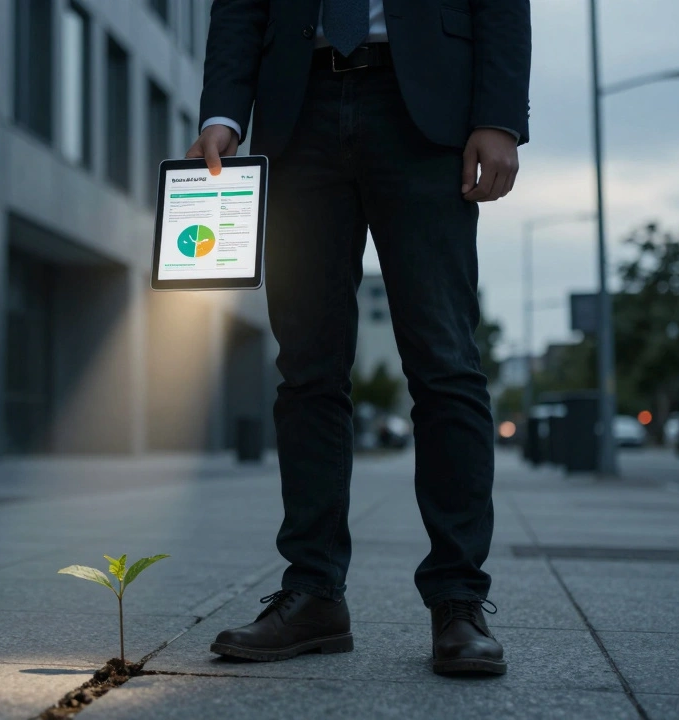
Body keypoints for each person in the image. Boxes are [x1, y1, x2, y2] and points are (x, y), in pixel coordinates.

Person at [187, 0, 530, 675]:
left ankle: (458, 601)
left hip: (423, 109)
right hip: (297, 108)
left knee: (445, 363)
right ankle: (313, 594)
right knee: (307, 370)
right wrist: (222, 113)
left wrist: (498, 117)